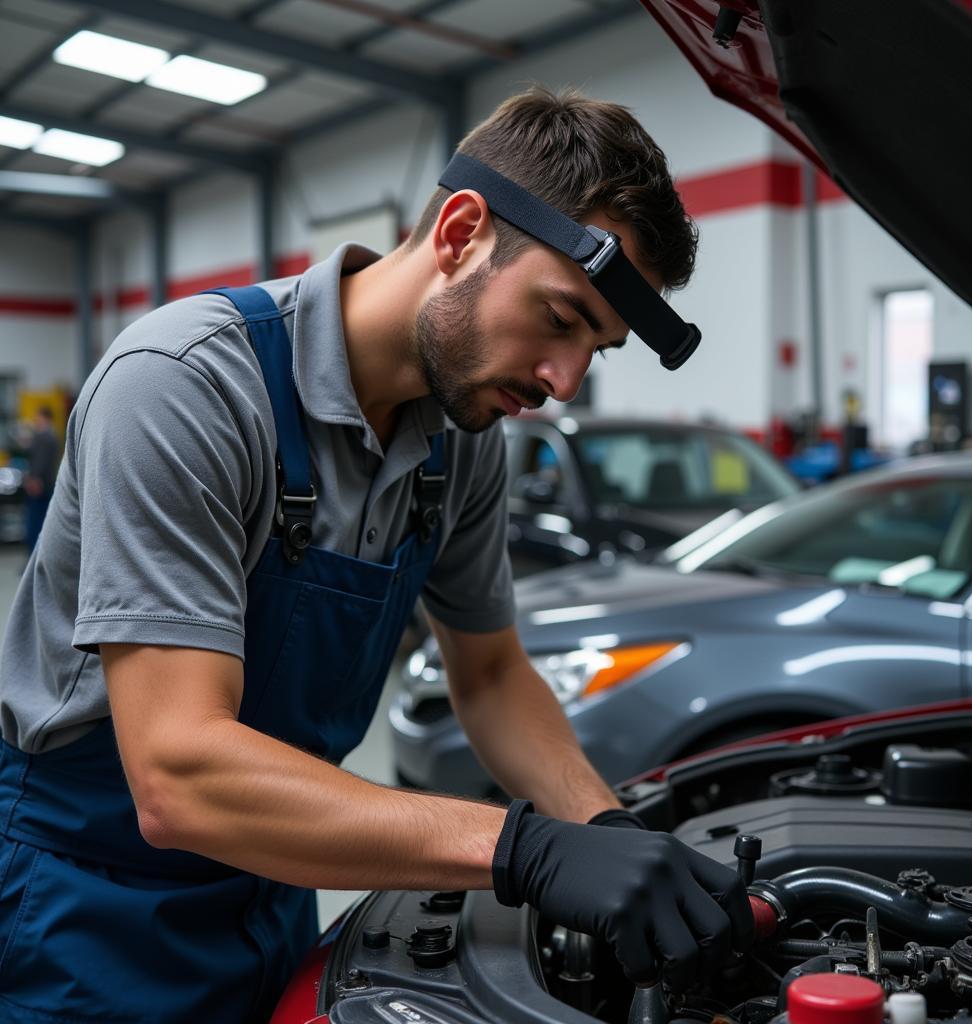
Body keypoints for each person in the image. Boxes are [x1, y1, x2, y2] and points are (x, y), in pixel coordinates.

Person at [0, 88, 751, 1023]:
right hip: (89, 913)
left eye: (595, 350)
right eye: (561, 319)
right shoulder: (185, 388)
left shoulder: (464, 438)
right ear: (462, 231)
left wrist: (604, 832)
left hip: (273, 889)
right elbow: (178, 773)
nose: (563, 382)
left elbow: (489, 675)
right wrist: (527, 851)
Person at [22, 404, 58, 552]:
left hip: (39, 485)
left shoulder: (44, 436)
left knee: (35, 522)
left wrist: (34, 479)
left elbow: (40, 461)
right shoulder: (52, 435)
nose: (36, 419)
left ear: (45, 417)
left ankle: (34, 555)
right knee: (44, 520)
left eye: (38, 416)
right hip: (47, 483)